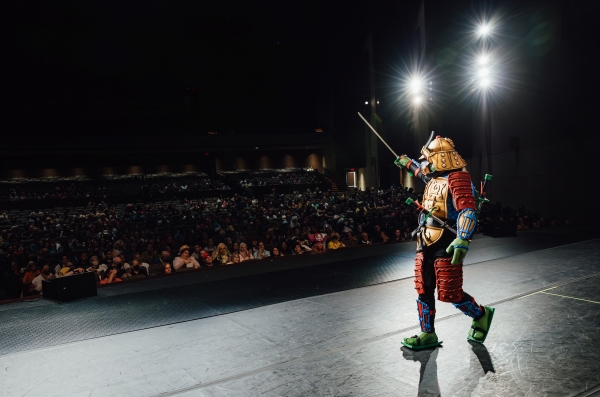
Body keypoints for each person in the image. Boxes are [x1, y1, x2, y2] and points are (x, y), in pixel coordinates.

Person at [394, 133, 494, 350]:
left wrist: (463, 238)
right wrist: (408, 163)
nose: (425, 163)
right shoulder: (433, 179)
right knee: (424, 288)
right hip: (425, 238)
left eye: (429, 158)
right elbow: (420, 173)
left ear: (440, 158)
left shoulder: (458, 180)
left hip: (447, 240)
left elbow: (467, 209)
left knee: (451, 292)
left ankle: (481, 314)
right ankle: (427, 333)